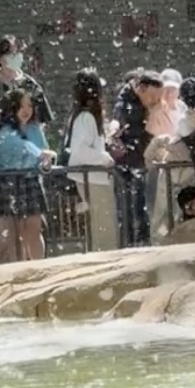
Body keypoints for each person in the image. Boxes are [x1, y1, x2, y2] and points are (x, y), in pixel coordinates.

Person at [0, 88, 57, 261]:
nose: (26, 110)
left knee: (34, 229)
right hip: (8, 181)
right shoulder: (3, 130)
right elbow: (18, 144)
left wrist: (46, 163)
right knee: (11, 233)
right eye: (20, 106)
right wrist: (41, 154)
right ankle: (15, 271)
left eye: (29, 105)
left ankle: (38, 267)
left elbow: (45, 153)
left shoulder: (35, 129)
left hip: (31, 180)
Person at [63, 69, 118, 252]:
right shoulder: (86, 117)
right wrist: (104, 158)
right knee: (103, 229)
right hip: (93, 179)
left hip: (94, 178)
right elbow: (79, 152)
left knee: (100, 227)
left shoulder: (81, 115)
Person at [109, 69, 164, 245]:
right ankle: (132, 244)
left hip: (141, 163)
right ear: (141, 89)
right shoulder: (124, 107)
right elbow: (116, 134)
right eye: (153, 96)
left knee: (142, 209)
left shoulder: (137, 103)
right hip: (129, 166)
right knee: (131, 211)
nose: (156, 101)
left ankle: (140, 241)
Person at [0, 35, 53, 129]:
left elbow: (42, 120)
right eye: (11, 54)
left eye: (18, 53)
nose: (17, 57)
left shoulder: (30, 84)